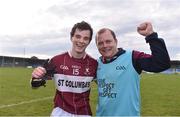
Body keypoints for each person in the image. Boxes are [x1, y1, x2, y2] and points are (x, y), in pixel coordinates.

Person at [95, 22, 170, 116]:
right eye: (100, 43)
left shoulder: (133, 57)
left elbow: (162, 63)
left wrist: (151, 36)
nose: (105, 46)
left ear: (116, 41)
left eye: (108, 41)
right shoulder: (95, 64)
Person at [31, 21, 97, 116]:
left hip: (84, 113)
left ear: (89, 41)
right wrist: (35, 76)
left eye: (85, 38)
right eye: (78, 36)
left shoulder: (94, 64)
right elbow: (34, 86)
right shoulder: (57, 60)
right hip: (60, 112)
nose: (81, 41)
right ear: (71, 37)